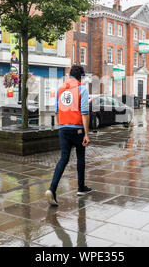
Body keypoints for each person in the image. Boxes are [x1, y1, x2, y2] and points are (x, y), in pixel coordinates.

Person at [46, 65, 92, 207]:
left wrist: (62, 126)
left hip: (63, 129)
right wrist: (86, 133)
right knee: (80, 156)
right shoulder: (82, 89)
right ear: (80, 77)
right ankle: (80, 187)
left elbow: (57, 111)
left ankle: (52, 189)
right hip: (77, 129)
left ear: (69, 76)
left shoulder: (60, 90)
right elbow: (84, 112)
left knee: (63, 159)